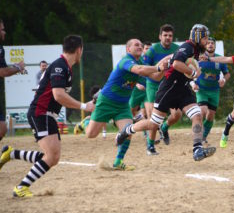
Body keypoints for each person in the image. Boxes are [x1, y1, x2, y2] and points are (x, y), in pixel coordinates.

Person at [0, 35, 95, 198]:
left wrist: (84, 105)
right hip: (41, 113)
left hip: (46, 115)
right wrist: (84, 106)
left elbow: (60, 98)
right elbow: (58, 96)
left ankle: (11, 153)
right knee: (51, 156)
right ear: (79, 50)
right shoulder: (60, 66)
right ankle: (21, 187)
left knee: (53, 156)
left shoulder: (65, 67)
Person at [116, 24, 216, 161]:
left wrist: (196, 65)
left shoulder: (196, 50)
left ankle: (197, 149)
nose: (207, 41)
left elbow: (177, 58)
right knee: (153, 124)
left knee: (197, 114)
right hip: (169, 88)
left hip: (183, 88)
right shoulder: (187, 47)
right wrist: (192, 72)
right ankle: (127, 130)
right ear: (197, 37)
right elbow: (176, 64)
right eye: (205, 38)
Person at [84, 39, 168, 168]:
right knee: (91, 134)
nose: (140, 46)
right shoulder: (126, 61)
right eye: (136, 45)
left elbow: (156, 77)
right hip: (106, 101)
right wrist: (158, 67)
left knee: (127, 132)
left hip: (122, 105)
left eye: (141, 45)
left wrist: (164, 68)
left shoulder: (141, 63)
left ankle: (118, 162)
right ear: (128, 49)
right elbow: (139, 70)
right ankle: (86, 122)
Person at [143, 24, 180, 153]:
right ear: (160, 37)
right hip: (153, 86)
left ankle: (164, 128)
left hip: (170, 85)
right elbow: (144, 68)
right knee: (154, 117)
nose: (168, 38)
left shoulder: (177, 49)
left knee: (177, 115)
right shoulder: (152, 50)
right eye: (165, 35)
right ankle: (150, 145)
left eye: (170, 35)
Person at [190, 37, 230, 144]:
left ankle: (203, 137)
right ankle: (197, 136)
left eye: (212, 43)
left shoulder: (220, 59)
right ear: (205, 45)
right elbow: (188, 73)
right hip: (201, 90)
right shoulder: (198, 58)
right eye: (208, 43)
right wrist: (193, 83)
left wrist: (224, 80)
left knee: (210, 115)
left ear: (215, 46)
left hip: (214, 91)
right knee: (202, 111)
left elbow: (227, 74)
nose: (210, 45)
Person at [0, 19, 26, 141]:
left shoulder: (1, 49)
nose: (4, 32)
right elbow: (3, 72)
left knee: (2, 129)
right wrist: (18, 67)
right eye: (2, 29)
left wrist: (14, 68)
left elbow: (4, 70)